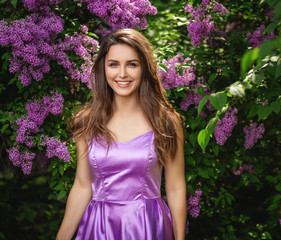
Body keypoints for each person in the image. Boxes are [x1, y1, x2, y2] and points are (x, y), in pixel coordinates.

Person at [56, 29, 187, 240]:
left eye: (132, 64)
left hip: (149, 226)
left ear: (144, 68)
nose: (122, 74)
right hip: (98, 228)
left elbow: (175, 187)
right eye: (113, 64)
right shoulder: (86, 121)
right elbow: (82, 186)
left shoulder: (167, 122)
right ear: (103, 68)